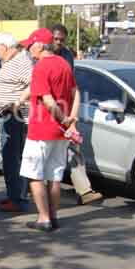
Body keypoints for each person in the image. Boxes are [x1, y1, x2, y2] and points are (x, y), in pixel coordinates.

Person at [19, 28, 81, 232]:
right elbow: (76, 92)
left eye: (30, 46)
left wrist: (64, 119)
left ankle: (43, 218)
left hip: (41, 129)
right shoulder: (64, 63)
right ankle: (53, 216)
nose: (28, 49)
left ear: (39, 45)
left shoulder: (41, 67)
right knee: (54, 175)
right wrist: (70, 120)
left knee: (34, 174)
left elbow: (47, 100)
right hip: (60, 132)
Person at [52, 24, 104, 205]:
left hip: (65, 108)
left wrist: (72, 117)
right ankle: (31, 189)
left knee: (73, 149)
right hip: (46, 111)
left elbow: (72, 85)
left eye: (61, 39)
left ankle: (84, 191)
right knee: (42, 155)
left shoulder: (67, 55)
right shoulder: (43, 56)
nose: (58, 42)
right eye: (55, 39)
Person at [0, 32, 33, 213]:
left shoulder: (21, 61)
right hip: (9, 116)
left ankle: (18, 199)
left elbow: (35, 84)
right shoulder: (12, 61)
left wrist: (17, 102)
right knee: (11, 159)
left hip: (16, 117)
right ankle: (14, 196)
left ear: (4, 46)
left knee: (13, 160)